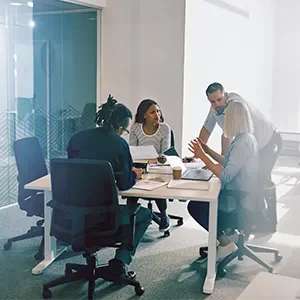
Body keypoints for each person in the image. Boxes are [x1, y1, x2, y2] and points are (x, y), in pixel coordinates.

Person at [67, 95, 152, 278]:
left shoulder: (77, 138)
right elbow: (125, 184)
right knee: (145, 214)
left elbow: (73, 172)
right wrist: (134, 174)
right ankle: (120, 261)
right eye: (125, 130)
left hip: (72, 214)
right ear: (119, 127)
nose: (124, 134)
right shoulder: (119, 144)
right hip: (103, 218)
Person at [188, 100, 260, 261]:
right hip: (241, 193)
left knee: (195, 206)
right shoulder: (243, 138)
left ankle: (225, 242)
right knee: (203, 197)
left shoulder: (243, 143)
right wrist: (207, 151)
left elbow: (226, 175)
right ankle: (230, 234)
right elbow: (227, 160)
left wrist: (203, 157)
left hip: (239, 199)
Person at [198, 82, 282, 182]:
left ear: (225, 94)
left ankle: (267, 195)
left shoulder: (234, 104)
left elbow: (227, 135)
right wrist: (197, 153)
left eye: (219, 100)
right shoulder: (215, 108)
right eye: (212, 102)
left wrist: (219, 164)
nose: (216, 104)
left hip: (269, 140)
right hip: (254, 145)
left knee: (261, 180)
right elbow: (206, 129)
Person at [129, 99, 171, 232]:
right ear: (144, 115)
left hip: (158, 166)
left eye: (158, 111)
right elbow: (132, 150)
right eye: (153, 112)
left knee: (158, 184)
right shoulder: (136, 128)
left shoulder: (165, 128)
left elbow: (165, 154)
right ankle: (130, 217)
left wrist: (159, 159)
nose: (157, 114)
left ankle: (164, 215)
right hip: (140, 164)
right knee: (132, 184)